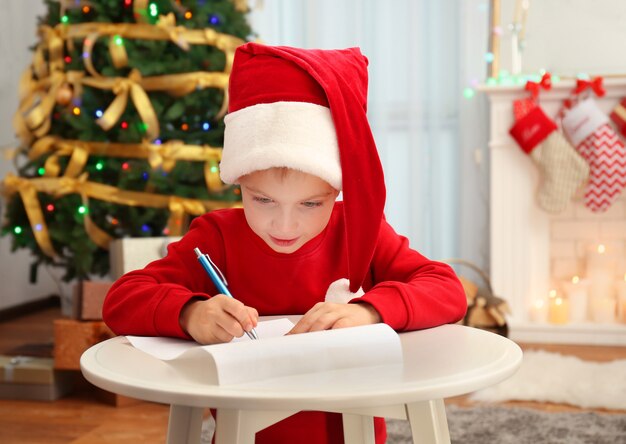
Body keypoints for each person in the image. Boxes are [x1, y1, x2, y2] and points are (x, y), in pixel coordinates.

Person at [103, 42, 466, 444]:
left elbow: (447, 289)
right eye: (263, 200)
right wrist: (191, 314)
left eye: (311, 203)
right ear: (239, 182)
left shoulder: (359, 230)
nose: (285, 224)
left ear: (336, 189)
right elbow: (122, 298)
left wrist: (370, 312)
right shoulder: (216, 237)